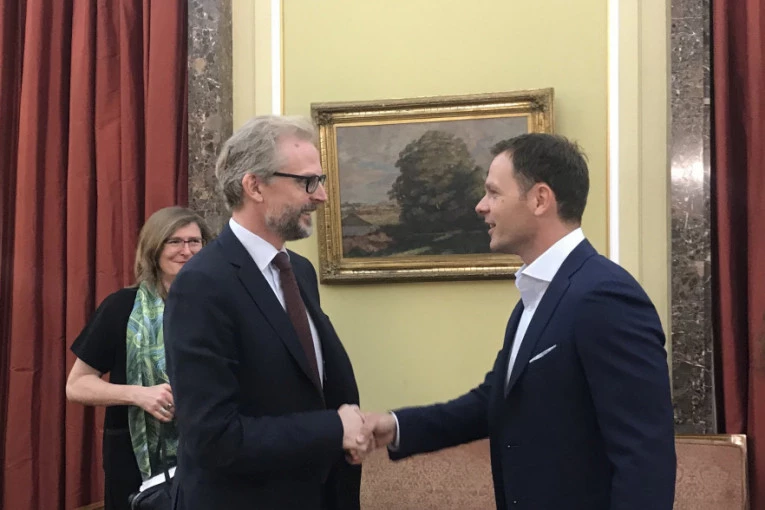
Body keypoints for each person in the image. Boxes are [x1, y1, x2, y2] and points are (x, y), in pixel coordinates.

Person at [365, 133, 677, 510]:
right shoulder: (537, 295)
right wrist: (395, 426)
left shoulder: (604, 296)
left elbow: (644, 457)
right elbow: (495, 401)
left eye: (493, 193)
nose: (481, 206)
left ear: (540, 199)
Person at [163, 115, 370, 510]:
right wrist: (333, 429)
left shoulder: (299, 271)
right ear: (254, 186)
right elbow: (213, 437)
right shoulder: (202, 284)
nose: (322, 196)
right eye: (307, 182)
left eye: (320, 180)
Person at [66, 206, 213, 510]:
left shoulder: (219, 305)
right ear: (154, 248)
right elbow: (77, 385)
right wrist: (139, 395)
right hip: (133, 457)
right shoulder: (120, 307)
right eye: (174, 241)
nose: (186, 251)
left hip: (210, 449)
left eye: (194, 242)